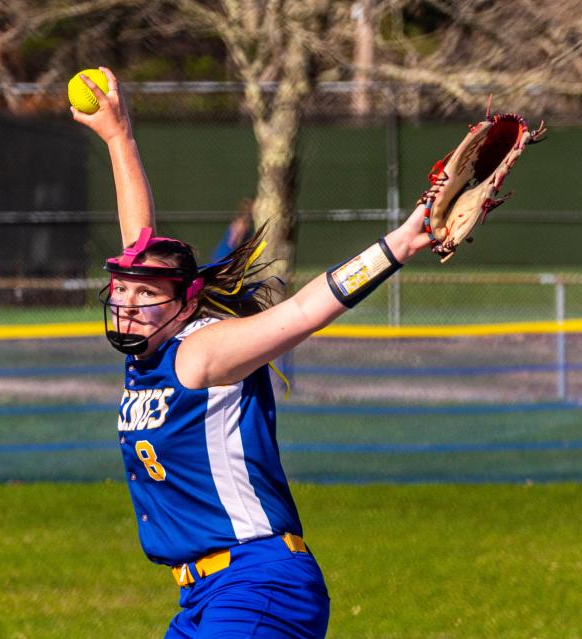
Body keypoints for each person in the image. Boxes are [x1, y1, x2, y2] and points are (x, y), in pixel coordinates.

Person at [71, 67, 436, 639]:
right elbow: (136, 238)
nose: (129, 301)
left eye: (147, 293)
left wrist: (399, 245)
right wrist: (119, 138)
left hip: (258, 584)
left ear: (185, 306)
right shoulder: (149, 350)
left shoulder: (202, 352)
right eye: (122, 289)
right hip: (205, 597)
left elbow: (302, 311)